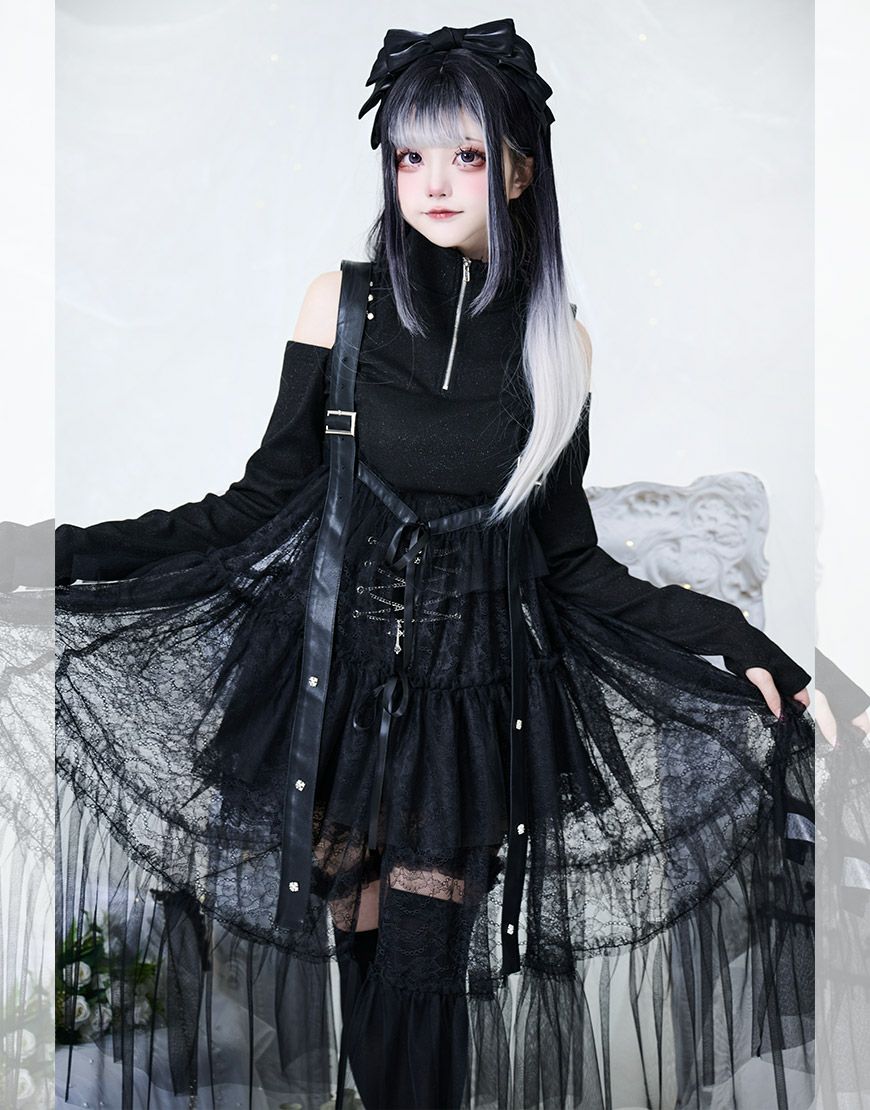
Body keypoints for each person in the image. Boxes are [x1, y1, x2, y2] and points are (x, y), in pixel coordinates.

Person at [55, 19, 815, 1110]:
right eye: (411, 156)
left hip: (467, 714)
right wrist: (54, 552)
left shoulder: (556, 343)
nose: (435, 182)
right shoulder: (341, 305)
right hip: (336, 694)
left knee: (422, 976)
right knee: (364, 966)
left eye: (464, 154)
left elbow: (571, 564)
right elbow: (252, 506)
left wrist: (736, 640)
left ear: (517, 170)